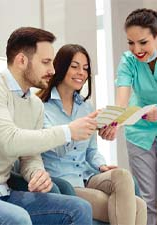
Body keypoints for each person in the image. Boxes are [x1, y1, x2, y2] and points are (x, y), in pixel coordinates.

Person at [0, 27, 97, 225]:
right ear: (21, 60)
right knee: (19, 219)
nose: (52, 70)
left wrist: (36, 173)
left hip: (3, 191)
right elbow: (10, 141)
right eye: (45, 62)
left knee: (79, 208)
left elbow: (29, 155)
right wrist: (67, 131)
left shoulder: (34, 104)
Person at [38, 44, 147, 225]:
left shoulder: (86, 107)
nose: (81, 72)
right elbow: (54, 148)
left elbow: (91, 151)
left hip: (87, 176)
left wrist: (101, 165)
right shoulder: (41, 107)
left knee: (123, 176)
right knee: (138, 207)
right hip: (63, 182)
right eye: (75, 66)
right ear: (60, 67)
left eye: (85, 68)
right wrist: (74, 131)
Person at [114, 8, 157, 225]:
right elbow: (122, 99)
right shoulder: (128, 61)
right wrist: (115, 121)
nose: (136, 49)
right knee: (148, 199)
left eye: (143, 42)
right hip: (139, 133)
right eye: (131, 43)